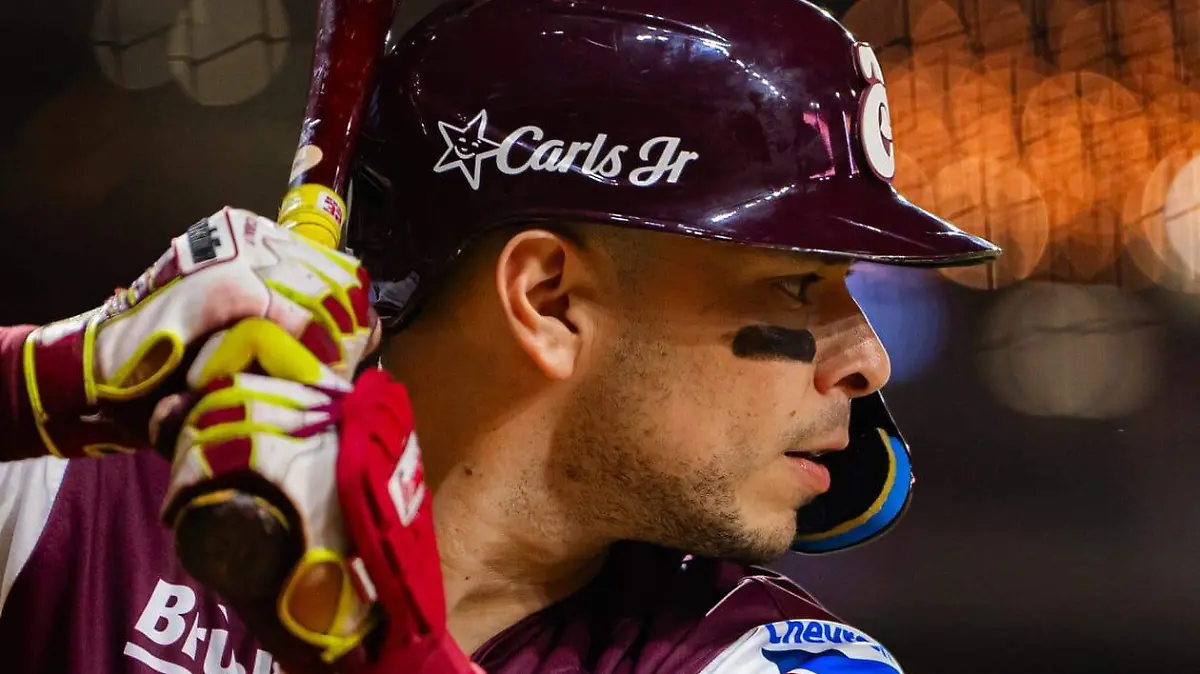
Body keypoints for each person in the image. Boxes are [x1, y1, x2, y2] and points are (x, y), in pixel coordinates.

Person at [0, 1, 1000, 673]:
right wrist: (43, 381)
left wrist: (386, 654)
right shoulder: (88, 497)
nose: (868, 359)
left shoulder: (767, 655)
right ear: (549, 298)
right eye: (796, 284)